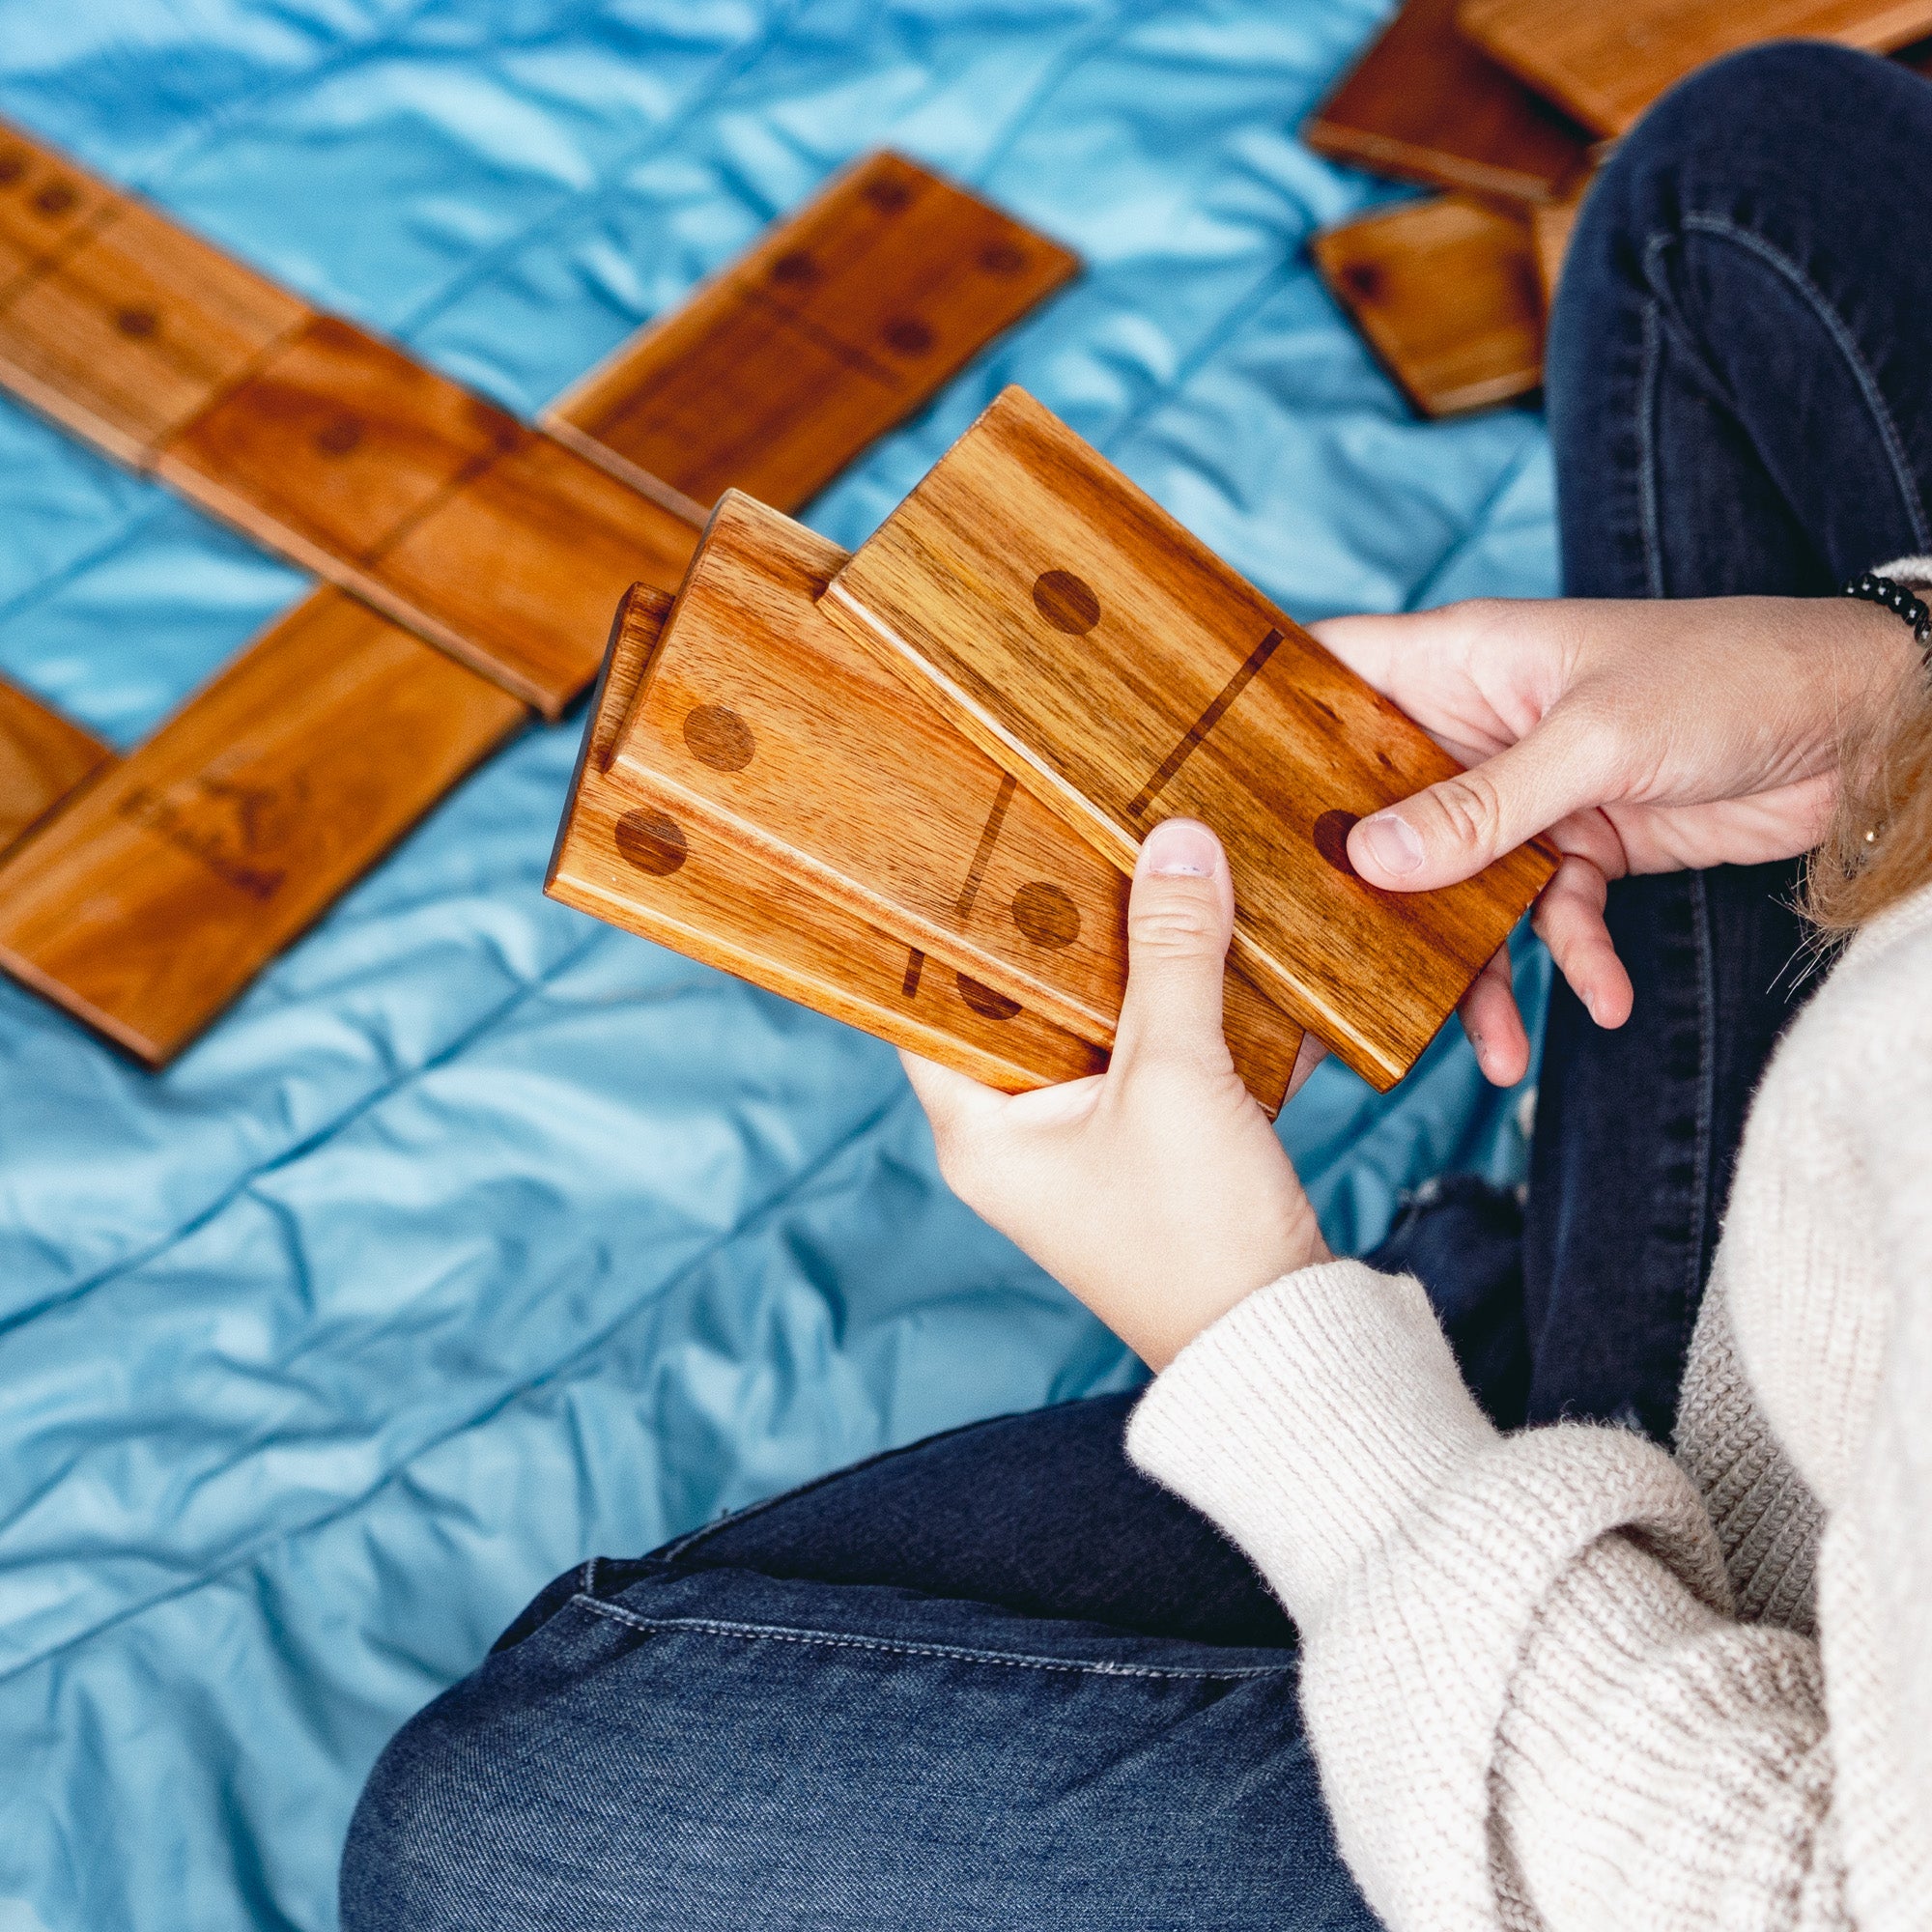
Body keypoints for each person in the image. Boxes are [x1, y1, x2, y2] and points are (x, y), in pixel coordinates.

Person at [339, 41, 1932, 1932]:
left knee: (505, 1841)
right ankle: (1578, 1358)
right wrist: (1887, 700)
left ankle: (1550, 1421)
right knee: (1737, 182)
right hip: (1856, 1317)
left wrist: (1265, 1341)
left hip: (1752, 1776)